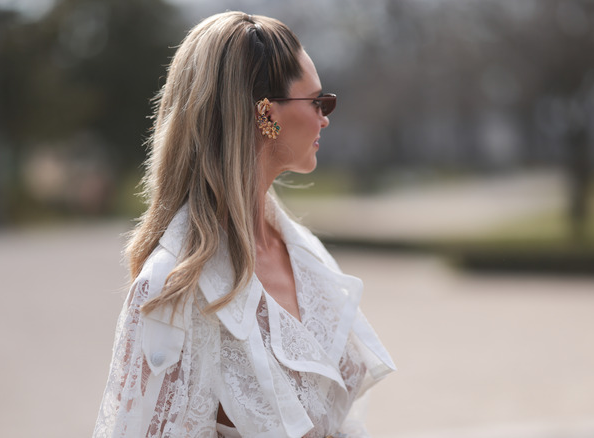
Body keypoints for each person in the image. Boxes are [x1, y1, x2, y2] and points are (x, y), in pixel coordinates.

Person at [93, 11, 395, 438]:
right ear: (265, 114)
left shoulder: (304, 251)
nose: (326, 117)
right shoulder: (174, 284)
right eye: (318, 101)